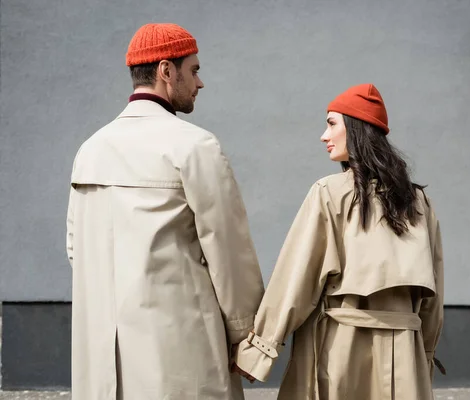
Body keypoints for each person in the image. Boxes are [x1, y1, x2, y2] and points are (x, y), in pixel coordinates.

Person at [66, 23, 264, 400]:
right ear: (166, 71)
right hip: (180, 354)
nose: (199, 83)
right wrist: (247, 337)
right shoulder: (193, 146)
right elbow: (229, 252)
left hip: (102, 361)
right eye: (194, 70)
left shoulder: (90, 150)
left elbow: (76, 248)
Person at [233, 84, 444, 400]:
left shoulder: (328, 192)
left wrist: (260, 349)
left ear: (357, 129)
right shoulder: (417, 200)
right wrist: (423, 357)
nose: (323, 135)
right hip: (404, 354)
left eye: (332, 123)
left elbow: (296, 279)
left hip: (339, 351)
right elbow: (433, 297)